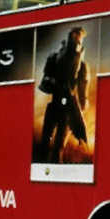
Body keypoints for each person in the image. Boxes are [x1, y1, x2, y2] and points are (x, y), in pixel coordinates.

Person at [38, 27, 90, 163]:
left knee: (59, 145)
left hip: (68, 107)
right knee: (45, 141)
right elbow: (45, 81)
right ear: (72, 35)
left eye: (80, 37)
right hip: (56, 103)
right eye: (77, 36)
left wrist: (83, 101)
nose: (78, 40)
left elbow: (82, 85)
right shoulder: (55, 58)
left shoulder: (81, 64)